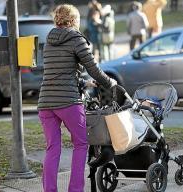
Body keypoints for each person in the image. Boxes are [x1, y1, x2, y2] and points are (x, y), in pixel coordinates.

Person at [37, 4, 117, 192]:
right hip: (68, 101)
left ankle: (49, 190)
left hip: (46, 102)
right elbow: (94, 69)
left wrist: (82, 82)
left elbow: (59, 70)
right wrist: (110, 83)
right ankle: (75, 189)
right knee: (81, 144)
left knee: (52, 148)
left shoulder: (49, 39)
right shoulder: (75, 38)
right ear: (73, 20)